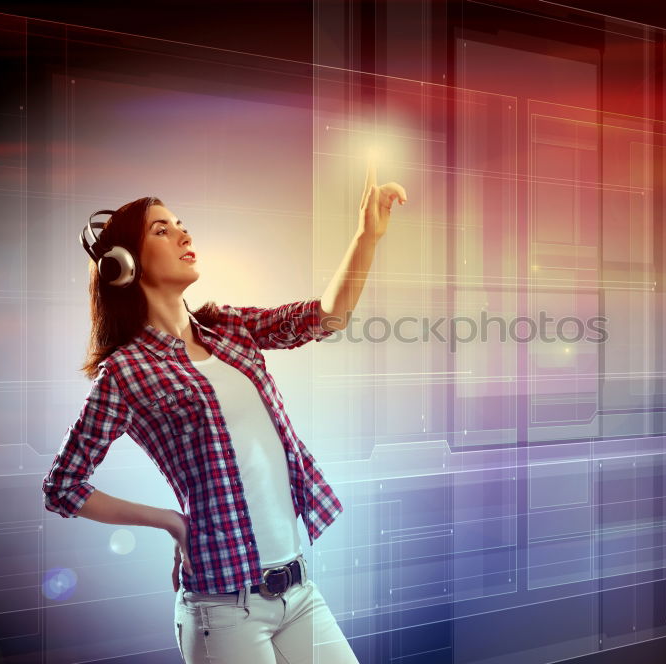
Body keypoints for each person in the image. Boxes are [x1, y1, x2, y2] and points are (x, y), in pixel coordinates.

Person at [42, 159, 407, 663]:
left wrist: (367, 236)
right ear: (125, 264)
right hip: (223, 612)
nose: (182, 233)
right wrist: (172, 521)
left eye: (182, 223)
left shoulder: (229, 328)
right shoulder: (126, 372)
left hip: (299, 592)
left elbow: (325, 317)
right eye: (162, 229)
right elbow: (63, 486)